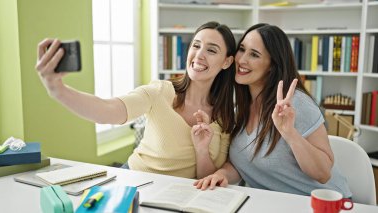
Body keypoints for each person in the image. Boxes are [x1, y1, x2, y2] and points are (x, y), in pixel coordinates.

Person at [35, 21, 236, 179]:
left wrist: (202, 150)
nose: (199, 55)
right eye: (196, 45)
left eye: (211, 50)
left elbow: (207, 180)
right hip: (133, 181)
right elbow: (108, 110)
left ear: (227, 61)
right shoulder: (160, 92)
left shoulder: (225, 117)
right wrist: (58, 90)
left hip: (177, 196)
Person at [194, 23, 352, 198]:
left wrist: (290, 133)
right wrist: (221, 174)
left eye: (254, 54)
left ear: (272, 65)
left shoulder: (295, 104)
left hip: (324, 205)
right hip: (274, 204)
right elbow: (242, 163)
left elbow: (323, 174)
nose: (241, 60)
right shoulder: (240, 107)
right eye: (242, 49)